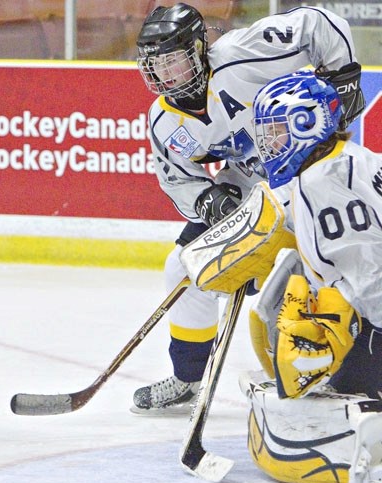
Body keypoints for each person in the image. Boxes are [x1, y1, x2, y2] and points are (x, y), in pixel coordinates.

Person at [131, 3, 364, 413]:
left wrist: (342, 76)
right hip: (250, 186)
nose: (167, 75)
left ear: (199, 50)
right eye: (157, 66)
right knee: (183, 267)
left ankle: (347, 362)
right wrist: (208, 198)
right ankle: (188, 379)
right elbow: (176, 179)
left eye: (174, 62)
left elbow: (318, 23)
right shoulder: (162, 122)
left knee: (323, 265)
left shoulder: (242, 55)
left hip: (308, 164)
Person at [241, 70, 382, 483]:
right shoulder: (349, 161)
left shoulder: (324, 184)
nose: (268, 145)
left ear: (309, 123)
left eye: (277, 133)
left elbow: (371, 278)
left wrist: (339, 328)